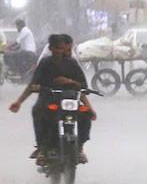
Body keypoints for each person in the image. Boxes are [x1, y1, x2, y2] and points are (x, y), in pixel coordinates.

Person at [8, 34, 95, 165]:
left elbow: (82, 88)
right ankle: (42, 149)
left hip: (70, 99)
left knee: (85, 115)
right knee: (38, 111)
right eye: (60, 48)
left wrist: (69, 82)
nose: (63, 51)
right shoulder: (45, 63)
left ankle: (80, 148)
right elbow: (32, 85)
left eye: (65, 49)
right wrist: (19, 102)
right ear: (52, 48)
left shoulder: (72, 63)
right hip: (48, 98)